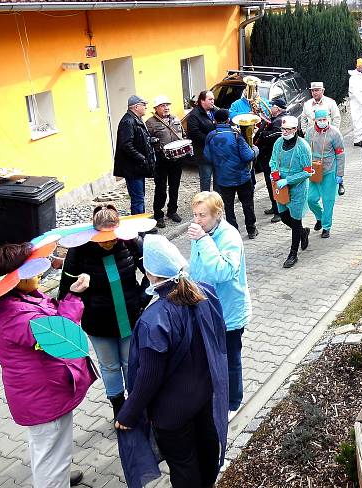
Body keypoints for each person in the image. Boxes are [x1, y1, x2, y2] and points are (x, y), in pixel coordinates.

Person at [0, 243, 94, 488]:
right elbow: (62, 336)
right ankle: (53, 479)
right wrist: (75, 297)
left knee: (49, 447)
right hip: (43, 395)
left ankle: (57, 473)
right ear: (15, 279)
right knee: (49, 451)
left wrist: (69, 293)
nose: (38, 274)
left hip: (42, 392)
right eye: (32, 271)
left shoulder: (15, 300)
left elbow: (49, 318)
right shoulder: (17, 316)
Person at [115, 235, 228, 488]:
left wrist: (128, 413)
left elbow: (148, 377)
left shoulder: (154, 319)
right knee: (205, 454)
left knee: (184, 466)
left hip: (172, 412)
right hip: (202, 398)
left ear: (150, 274)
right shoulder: (204, 293)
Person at [58, 206, 145, 418]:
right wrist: (77, 290)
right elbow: (65, 291)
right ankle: (118, 407)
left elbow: (152, 273)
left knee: (130, 363)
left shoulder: (131, 242)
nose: (108, 242)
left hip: (129, 316)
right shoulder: (79, 250)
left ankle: (135, 407)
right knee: (110, 366)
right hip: (98, 321)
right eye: (103, 238)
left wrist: (142, 299)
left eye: (112, 237)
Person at [186, 191, 250, 413]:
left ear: (217, 214)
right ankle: (213, 396)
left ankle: (233, 404)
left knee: (230, 359)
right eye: (195, 214)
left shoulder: (229, 237)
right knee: (208, 357)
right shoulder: (201, 233)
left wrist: (203, 240)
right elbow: (197, 267)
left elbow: (222, 272)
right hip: (205, 308)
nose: (197, 220)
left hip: (228, 312)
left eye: (202, 215)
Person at [204, 109, 259, 239]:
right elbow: (248, 156)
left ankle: (233, 232)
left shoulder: (210, 136)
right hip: (242, 178)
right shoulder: (236, 135)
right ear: (228, 120)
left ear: (215, 121)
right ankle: (251, 230)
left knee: (228, 207)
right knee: (247, 204)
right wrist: (255, 150)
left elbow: (207, 157)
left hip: (223, 179)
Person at [270, 115, 313, 268]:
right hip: (281, 187)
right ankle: (303, 232)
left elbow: (308, 171)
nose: (285, 132)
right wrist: (275, 175)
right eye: (283, 129)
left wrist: (288, 180)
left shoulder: (303, 147)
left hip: (298, 187)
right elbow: (273, 160)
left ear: (295, 129)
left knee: (295, 220)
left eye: (288, 129)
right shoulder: (278, 142)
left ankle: (293, 254)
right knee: (283, 216)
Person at [304, 109, 345, 239]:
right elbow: (305, 151)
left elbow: (340, 154)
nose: (322, 122)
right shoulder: (310, 132)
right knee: (311, 199)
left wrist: (340, 174)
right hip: (314, 171)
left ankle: (326, 227)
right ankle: (320, 218)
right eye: (319, 120)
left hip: (329, 170)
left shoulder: (335, 133)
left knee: (328, 201)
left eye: (324, 119)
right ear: (315, 120)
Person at [145, 95, 184, 227]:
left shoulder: (175, 119)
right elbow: (146, 142)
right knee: (161, 188)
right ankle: (158, 214)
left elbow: (182, 135)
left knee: (175, 186)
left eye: (167, 105)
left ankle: (172, 211)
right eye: (163, 105)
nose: (166, 107)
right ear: (156, 108)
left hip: (177, 159)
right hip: (161, 160)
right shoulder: (150, 123)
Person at [113, 95, 156, 215]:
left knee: (140, 197)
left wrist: (150, 140)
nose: (146, 107)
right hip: (132, 168)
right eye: (144, 105)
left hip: (137, 167)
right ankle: (139, 229)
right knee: (138, 199)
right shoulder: (128, 121)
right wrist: (142, 158)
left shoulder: (135, 119)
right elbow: (126, 145)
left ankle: (141, 224)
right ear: (136, 106)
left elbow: (138, 139)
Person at [254, 97, 286, 223]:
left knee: (274, 184)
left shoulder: (279, 121)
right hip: (268, 157)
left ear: (277, 108)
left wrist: (261, 134)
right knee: (269, 184)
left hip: (272, 158)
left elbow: (275, 136)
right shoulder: (275, 119)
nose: (270, 107)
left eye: (272, 106)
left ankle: (279, 211)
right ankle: (275, 207)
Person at [186, 90, 218, 192]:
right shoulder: (194, 115)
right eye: (210, 99)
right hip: (203, 153)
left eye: (213, 99)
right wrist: (211, 140)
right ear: (202, 101)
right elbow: (194, 133)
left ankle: (217, 200)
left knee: (218, 177)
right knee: (206, 178)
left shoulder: (215, 111)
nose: (213, 101)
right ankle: (205, 202)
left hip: (217, 151)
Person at [348, 58, 362, 146]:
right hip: (357, 103)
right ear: (358, 66)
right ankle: (357, 139)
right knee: (357, 120)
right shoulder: (353, 78)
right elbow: (355, 92)